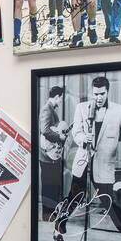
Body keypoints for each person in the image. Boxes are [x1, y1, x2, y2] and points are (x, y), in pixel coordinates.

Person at [51, 76, 121, 241]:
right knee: (74, 199)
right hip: (83, 163)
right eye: (95, 94)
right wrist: (82, 140)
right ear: (91, 92)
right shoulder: (82, 108)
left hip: (103, 166)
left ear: (107, 92)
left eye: (102, 94)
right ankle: (58, 228)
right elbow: (76, 131)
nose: (98, 97)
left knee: (111, 205)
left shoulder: (119, 111)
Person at [38, 85, 69, 217]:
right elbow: (44, 130)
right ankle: (47, 214)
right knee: (49, 185)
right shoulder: (47, 110)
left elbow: (52, 128)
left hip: (50, 155)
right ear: (57, 97)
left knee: (51, 185)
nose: (61, 101)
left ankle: (50, 213)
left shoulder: (50, 109)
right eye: (61, 98)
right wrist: (60, 137)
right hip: (47, 156)